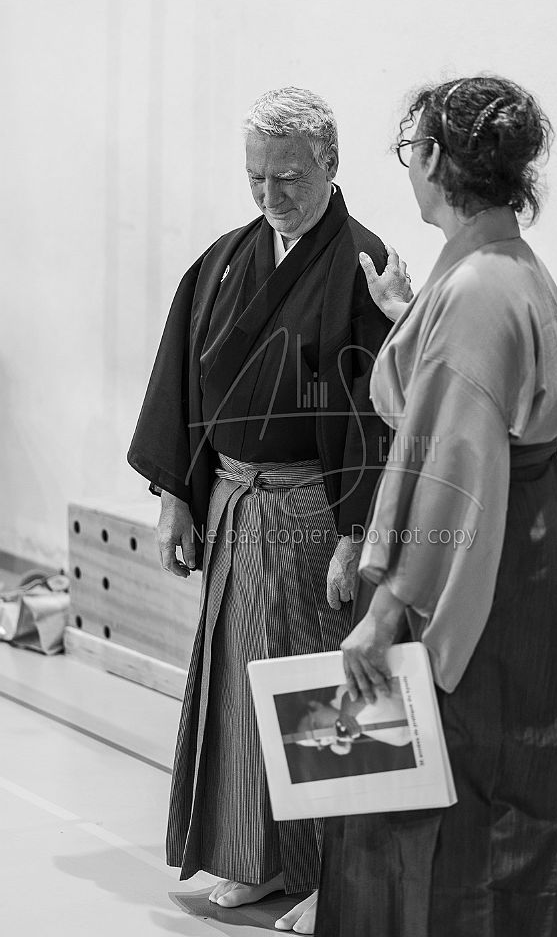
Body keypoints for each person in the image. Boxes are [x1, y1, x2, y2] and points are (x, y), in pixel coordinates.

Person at [127, 87, 407, 935]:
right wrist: (177, 496)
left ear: (330, 164)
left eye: (288, 177)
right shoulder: (223, 260)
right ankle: (260, 857)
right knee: (243, 686)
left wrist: (356, 532)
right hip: (234, 501)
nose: (269, 194)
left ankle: (339, 879)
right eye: (255, 176)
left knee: (328, 693)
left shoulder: (363, 263)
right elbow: (182, 382)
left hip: (317, 506)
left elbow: (375, 410)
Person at [315, 76, 557, 937]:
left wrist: (385, 611)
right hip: (529, 530)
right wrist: (410, 317)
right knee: (512, 779)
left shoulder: (474, 289)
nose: (407, 166)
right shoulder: (503, 264)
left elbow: (452, 475)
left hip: (479, 547)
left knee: (448, 785)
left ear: (434, 159)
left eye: (410, 149)